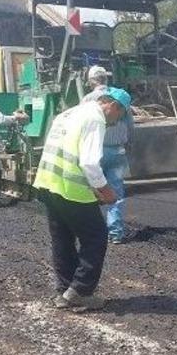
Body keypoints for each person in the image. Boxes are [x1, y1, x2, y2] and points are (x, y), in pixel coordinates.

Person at [34, 87, 132, 311]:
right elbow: (89, 163)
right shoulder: (95, 119)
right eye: (120, 115)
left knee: (62, 239)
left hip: (49, 183)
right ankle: (81, 291)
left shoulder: (70, 113)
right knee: (96, 237)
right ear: (113, 106)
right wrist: (105, 191)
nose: (117, 121)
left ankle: (65, 290)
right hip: (71, 189)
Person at [81, 66, 134, 244]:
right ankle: (116, 233)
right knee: (116, 192)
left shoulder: (88, 99)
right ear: (106, 78)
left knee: (91, 191)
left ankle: (90, 231)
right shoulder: (120, 98)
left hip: (95, 151)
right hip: (118, 151)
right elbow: (130, 125)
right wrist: (130, 143)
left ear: (91, 81)